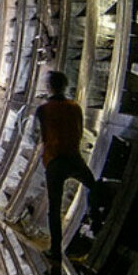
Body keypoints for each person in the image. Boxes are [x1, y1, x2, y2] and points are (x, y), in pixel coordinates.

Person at [36, 70, 98, 261]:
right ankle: (95, 221)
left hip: (54, 161)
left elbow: (41, 136)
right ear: (64, 86)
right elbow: (79, 131)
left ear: (49, 87)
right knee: (92, 186)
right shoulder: (74, 107)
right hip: (73, 158)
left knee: (54, 209)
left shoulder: (43, 110)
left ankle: (55, 250)